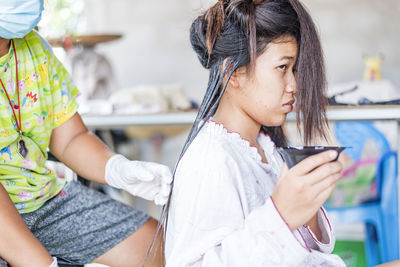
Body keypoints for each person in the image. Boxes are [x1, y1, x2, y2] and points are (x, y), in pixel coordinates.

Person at [164, 0, 346, 266]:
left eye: (294, 70)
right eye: (283, 68)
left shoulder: (266, 149)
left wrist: (307, 204)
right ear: (233, 72)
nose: (293, 85)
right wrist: (281, 215)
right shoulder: (211, 160)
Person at [0, 1, 171, 266]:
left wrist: (117, 169)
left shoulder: (35, 49)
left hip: (43, 201)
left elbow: (70, 139)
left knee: (158, 248)